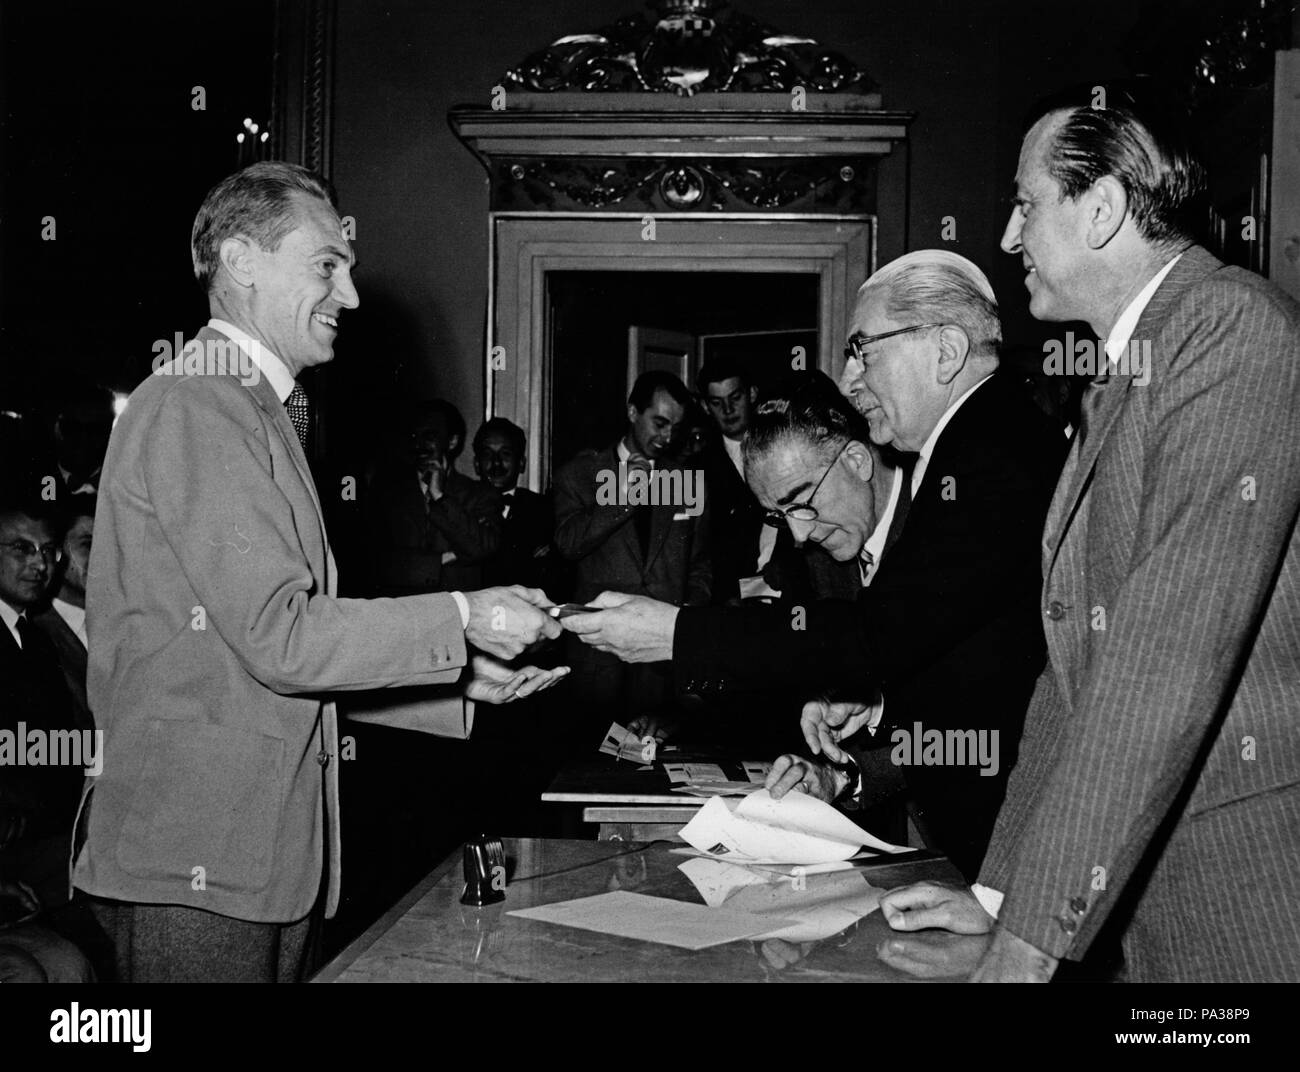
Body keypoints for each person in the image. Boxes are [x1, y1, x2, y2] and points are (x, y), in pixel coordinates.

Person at [72, 161, 564, 983]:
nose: (352, 296)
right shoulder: (200, 402)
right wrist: (463, 615)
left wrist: (455, 681)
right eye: (326, 265)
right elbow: (282, 638)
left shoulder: (246, 405)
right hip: (199, 863)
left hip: (253, 861)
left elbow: (250, 662)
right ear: (240, 260)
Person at [880, 83, 1300, 983]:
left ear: (1102, 209)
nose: (1006, 238)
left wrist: (1027, 951)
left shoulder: (1229, 329)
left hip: (1245, 887)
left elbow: (1160, 657)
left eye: (1027, 205)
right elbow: (1076, 676)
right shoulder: (1120, 373)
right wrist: (1000, 901)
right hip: (1158, 894)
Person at [564, 251, 1067, 877]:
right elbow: (957, 665)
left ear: (945, 350)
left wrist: (675, 633)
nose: (852, 380)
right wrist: (872, 723)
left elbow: (887, 639)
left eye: (863, 349)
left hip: (1023, 851)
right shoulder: (973, 443)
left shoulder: (988, 450)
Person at [553, 370, 710, 728]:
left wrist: (685, 619)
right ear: (631, 412)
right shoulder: (580, 473)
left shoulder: (685, 481)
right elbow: (567, 545)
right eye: (659, 423)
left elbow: (700, 565)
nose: (667, 437)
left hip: (661, 662)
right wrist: (624, 495)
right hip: (597, 663)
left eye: (676, 427)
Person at [367, 399, 503, 595]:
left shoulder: (480, 495)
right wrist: (441, 560)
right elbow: (375, 562)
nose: (419, 445)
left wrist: (440, 497)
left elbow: (481, 549)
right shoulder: (387, 492)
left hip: (457, 616)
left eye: (429, 436)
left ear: (452, 441)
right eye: (414, 436)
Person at [32, 491, 96, 732]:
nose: (104, 556)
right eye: (88, 544)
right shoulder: (33, 631)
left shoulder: (125, 622)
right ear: (56, 551)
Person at [473, 417, 556, 591]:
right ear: (476, 464)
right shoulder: (458, 507)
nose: (496, 463)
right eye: (487, 454)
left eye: (505, 454)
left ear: (521, 463)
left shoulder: (544, 509)